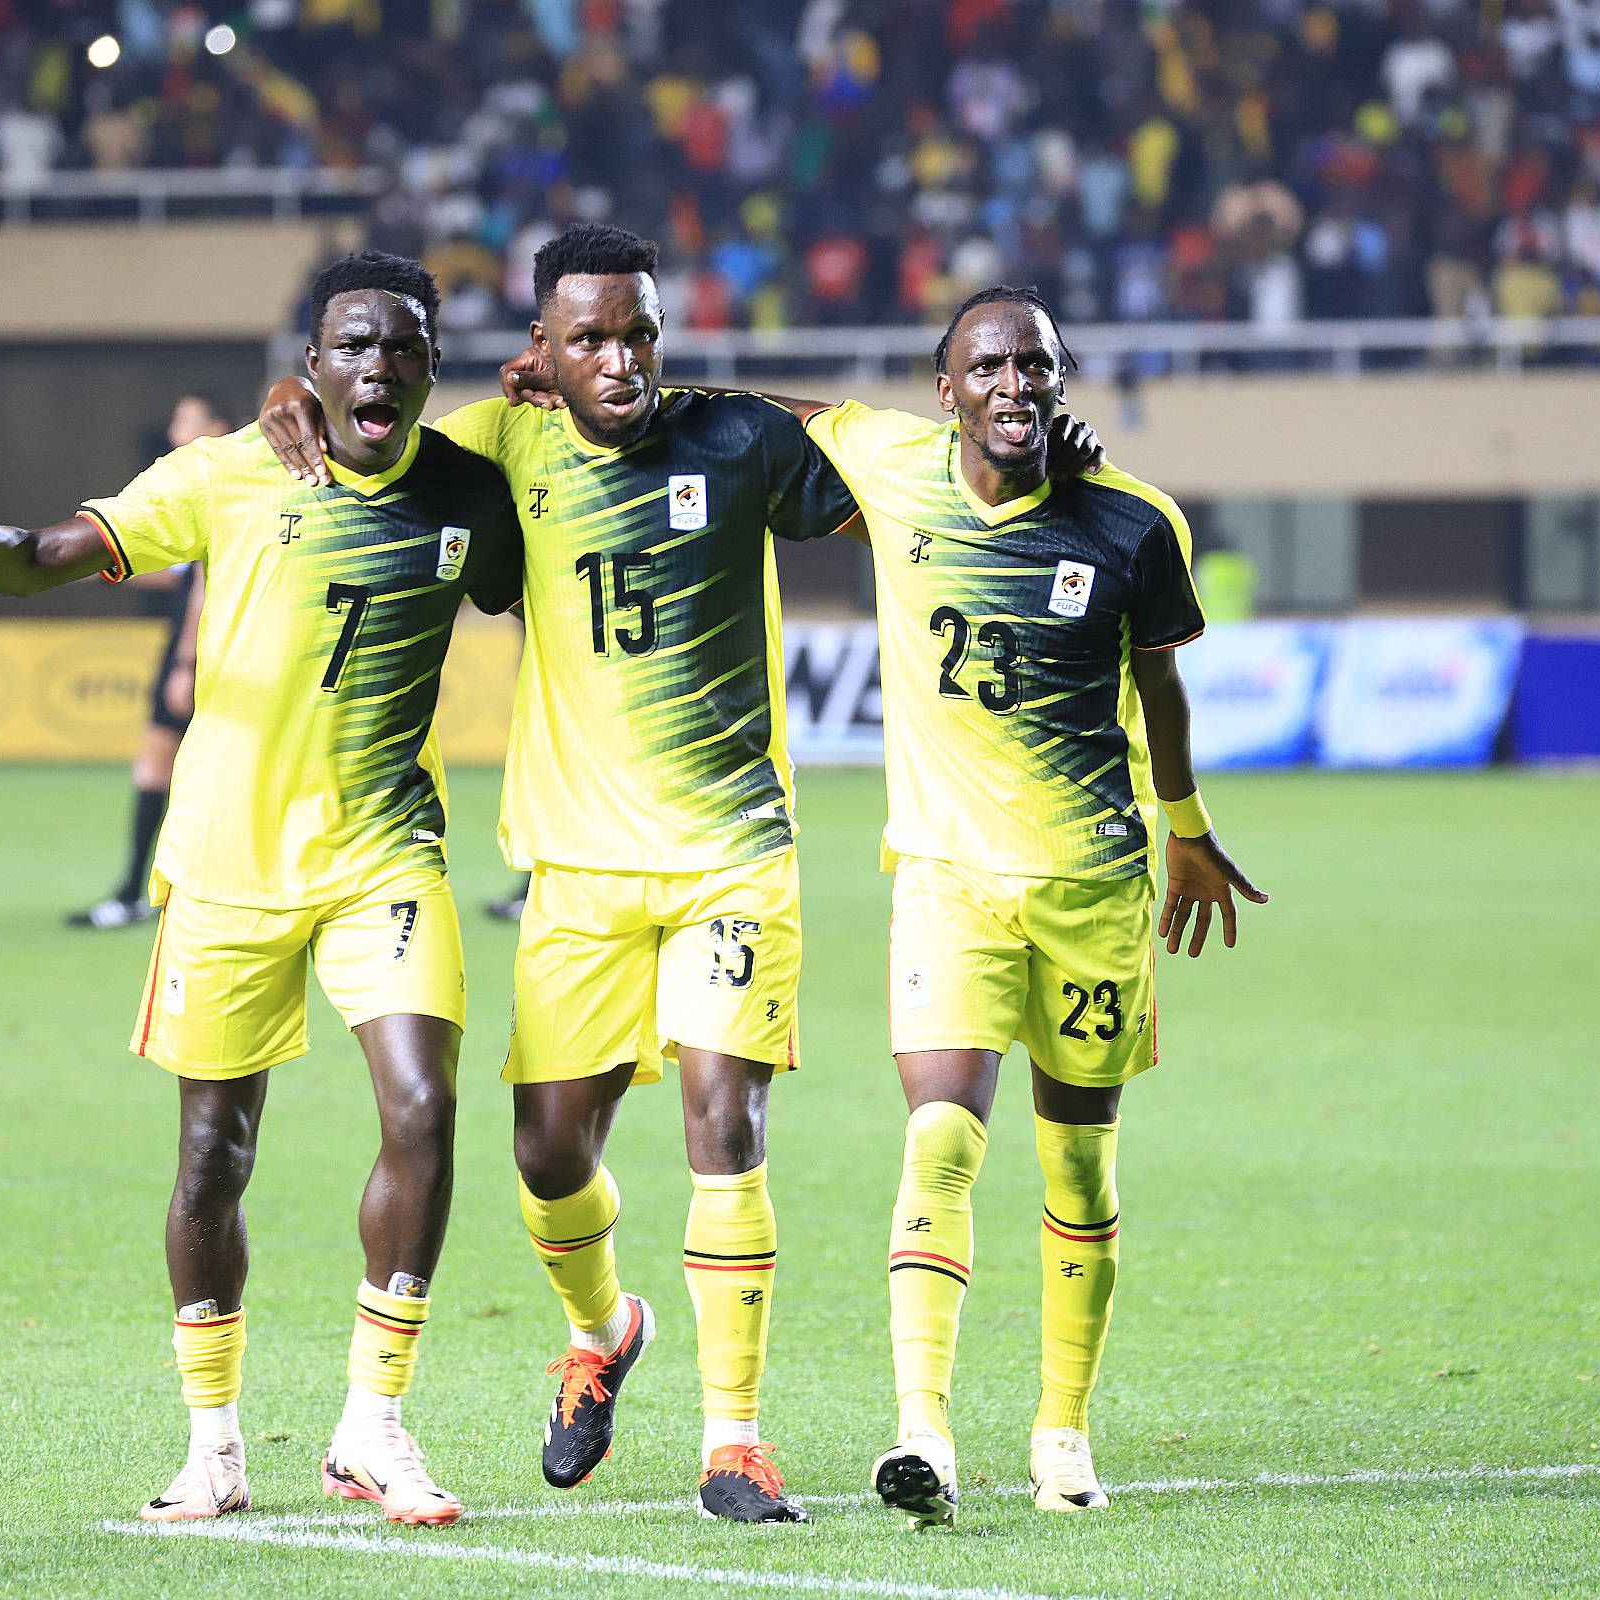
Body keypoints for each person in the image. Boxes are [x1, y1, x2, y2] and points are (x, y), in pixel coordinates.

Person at [263, 222, 1095, 1523]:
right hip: (578, 876)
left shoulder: (738, 440)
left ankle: (735, 1445)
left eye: (639, 331)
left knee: (727, 1123)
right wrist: (287, 404)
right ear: (540, 348)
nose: (621, 358)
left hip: (732, 857)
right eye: (587, 337)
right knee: (546, 1159)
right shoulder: (500, 447)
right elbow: (375, 443)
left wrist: (1036, 443)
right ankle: (604, 1332)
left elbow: (892, 452)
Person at [0, 251, 521, 1528]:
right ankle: (216, 1445)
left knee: (423, 1106)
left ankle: (374, 1422)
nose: (379, 368)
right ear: (312, 365)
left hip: (385, 853)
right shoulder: (233, 470)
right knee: (211, 1160)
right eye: (353, 346)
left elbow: (526, 568)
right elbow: (39, 557)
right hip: (229, 865)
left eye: (403, 349)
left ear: (428, 369)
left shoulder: (472, 485)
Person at [793, 289, 1267, 1525]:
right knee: (941, 1135)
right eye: (987, 363)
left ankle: (1062, 1431)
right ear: (941, 384)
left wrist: (1190, 828)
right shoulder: (891, 467)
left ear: (1063, 381)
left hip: (1095, 892)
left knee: (1079, 1166)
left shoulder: (1130, 520)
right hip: (948, 880)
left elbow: (1158, 686)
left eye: (1036, 364)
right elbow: (750, 421)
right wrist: (583, 393)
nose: (1014, 382)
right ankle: (923, 1435)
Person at [67, 391, 232, 930]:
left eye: (185, 418)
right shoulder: (207, 487)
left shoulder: (222, 484)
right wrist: (115, 565)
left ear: (217, 426)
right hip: (208, 649)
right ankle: (151, 892)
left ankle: (138, 892)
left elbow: (205, 580)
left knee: (166, 767)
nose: (173, 429)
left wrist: (187, 662)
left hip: (203, 652)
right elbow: (185, 571)